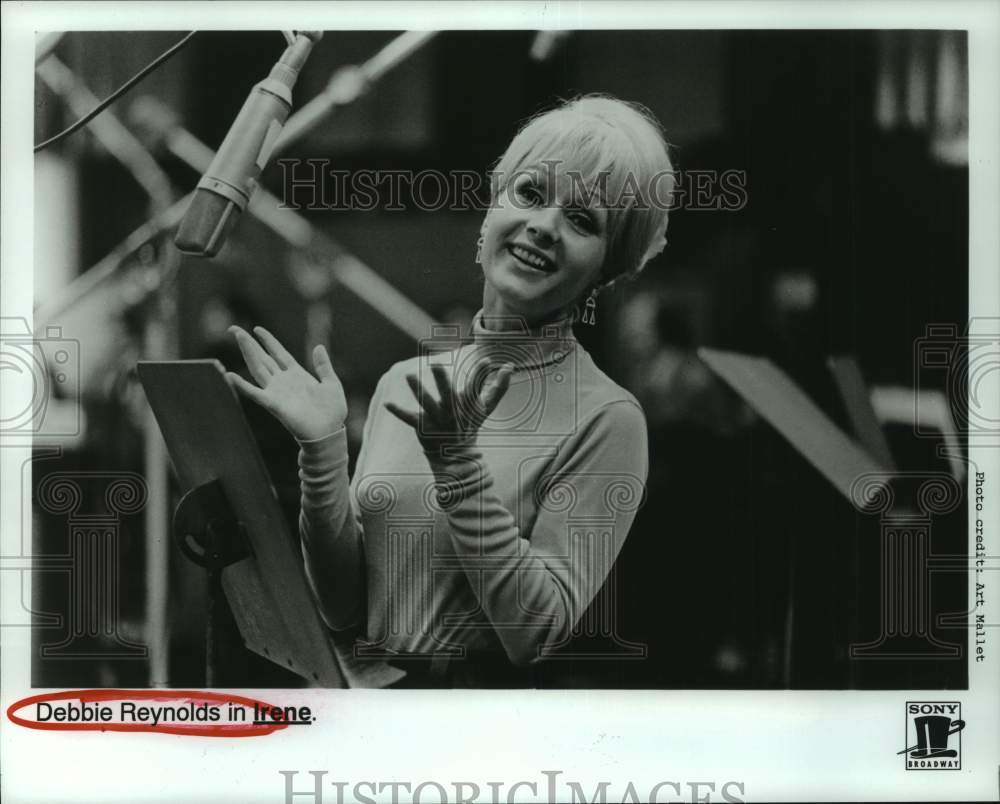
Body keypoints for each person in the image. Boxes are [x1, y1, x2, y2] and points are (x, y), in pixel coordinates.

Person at [228, 95, 674, 687]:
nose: (544, 225)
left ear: (606, 269)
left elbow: (534, 631)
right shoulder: (406, 384)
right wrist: (322, 452)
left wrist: (458, 467)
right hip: (367, 717)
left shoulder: (609, 419)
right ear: (491, 211)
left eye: (583, 220)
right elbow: (346, 609)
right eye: (531, 193)